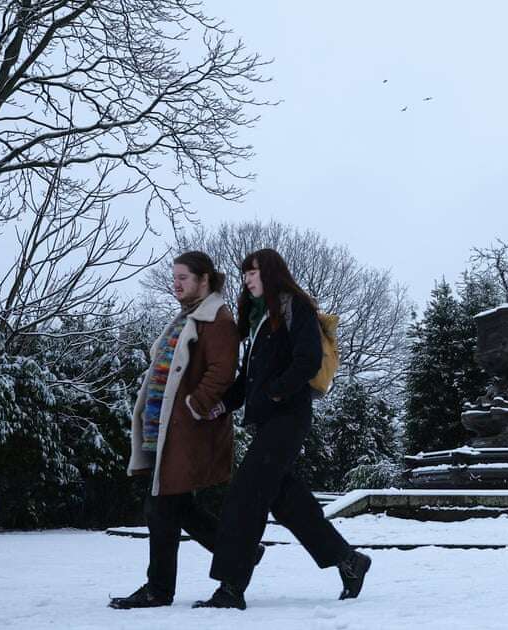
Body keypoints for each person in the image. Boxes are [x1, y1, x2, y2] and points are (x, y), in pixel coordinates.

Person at [193, 248, 371, 610]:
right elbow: (247, 380)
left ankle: (231, 587)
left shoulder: (295, 307)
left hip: (288, 418)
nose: (247, 279)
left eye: (253, 272)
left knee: (246, 496)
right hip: (269, 422)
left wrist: (277, 391)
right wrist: (223, 404)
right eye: (244, 274)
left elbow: (308, 360)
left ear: (271, 272)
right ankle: (349, 561)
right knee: (288, 503)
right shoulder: (261, 321)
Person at [110, 251, 261, 609]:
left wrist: (196, 406)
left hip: (187, 430)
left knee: (160, 507)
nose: (175, 283)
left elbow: (222, 372)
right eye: (174, 277)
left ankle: (158, 589)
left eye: (183, 278)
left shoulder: (217, 318)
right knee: (178, 508)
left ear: (204, 279)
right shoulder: (190, 315)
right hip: (167, 429)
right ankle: (241, 552)